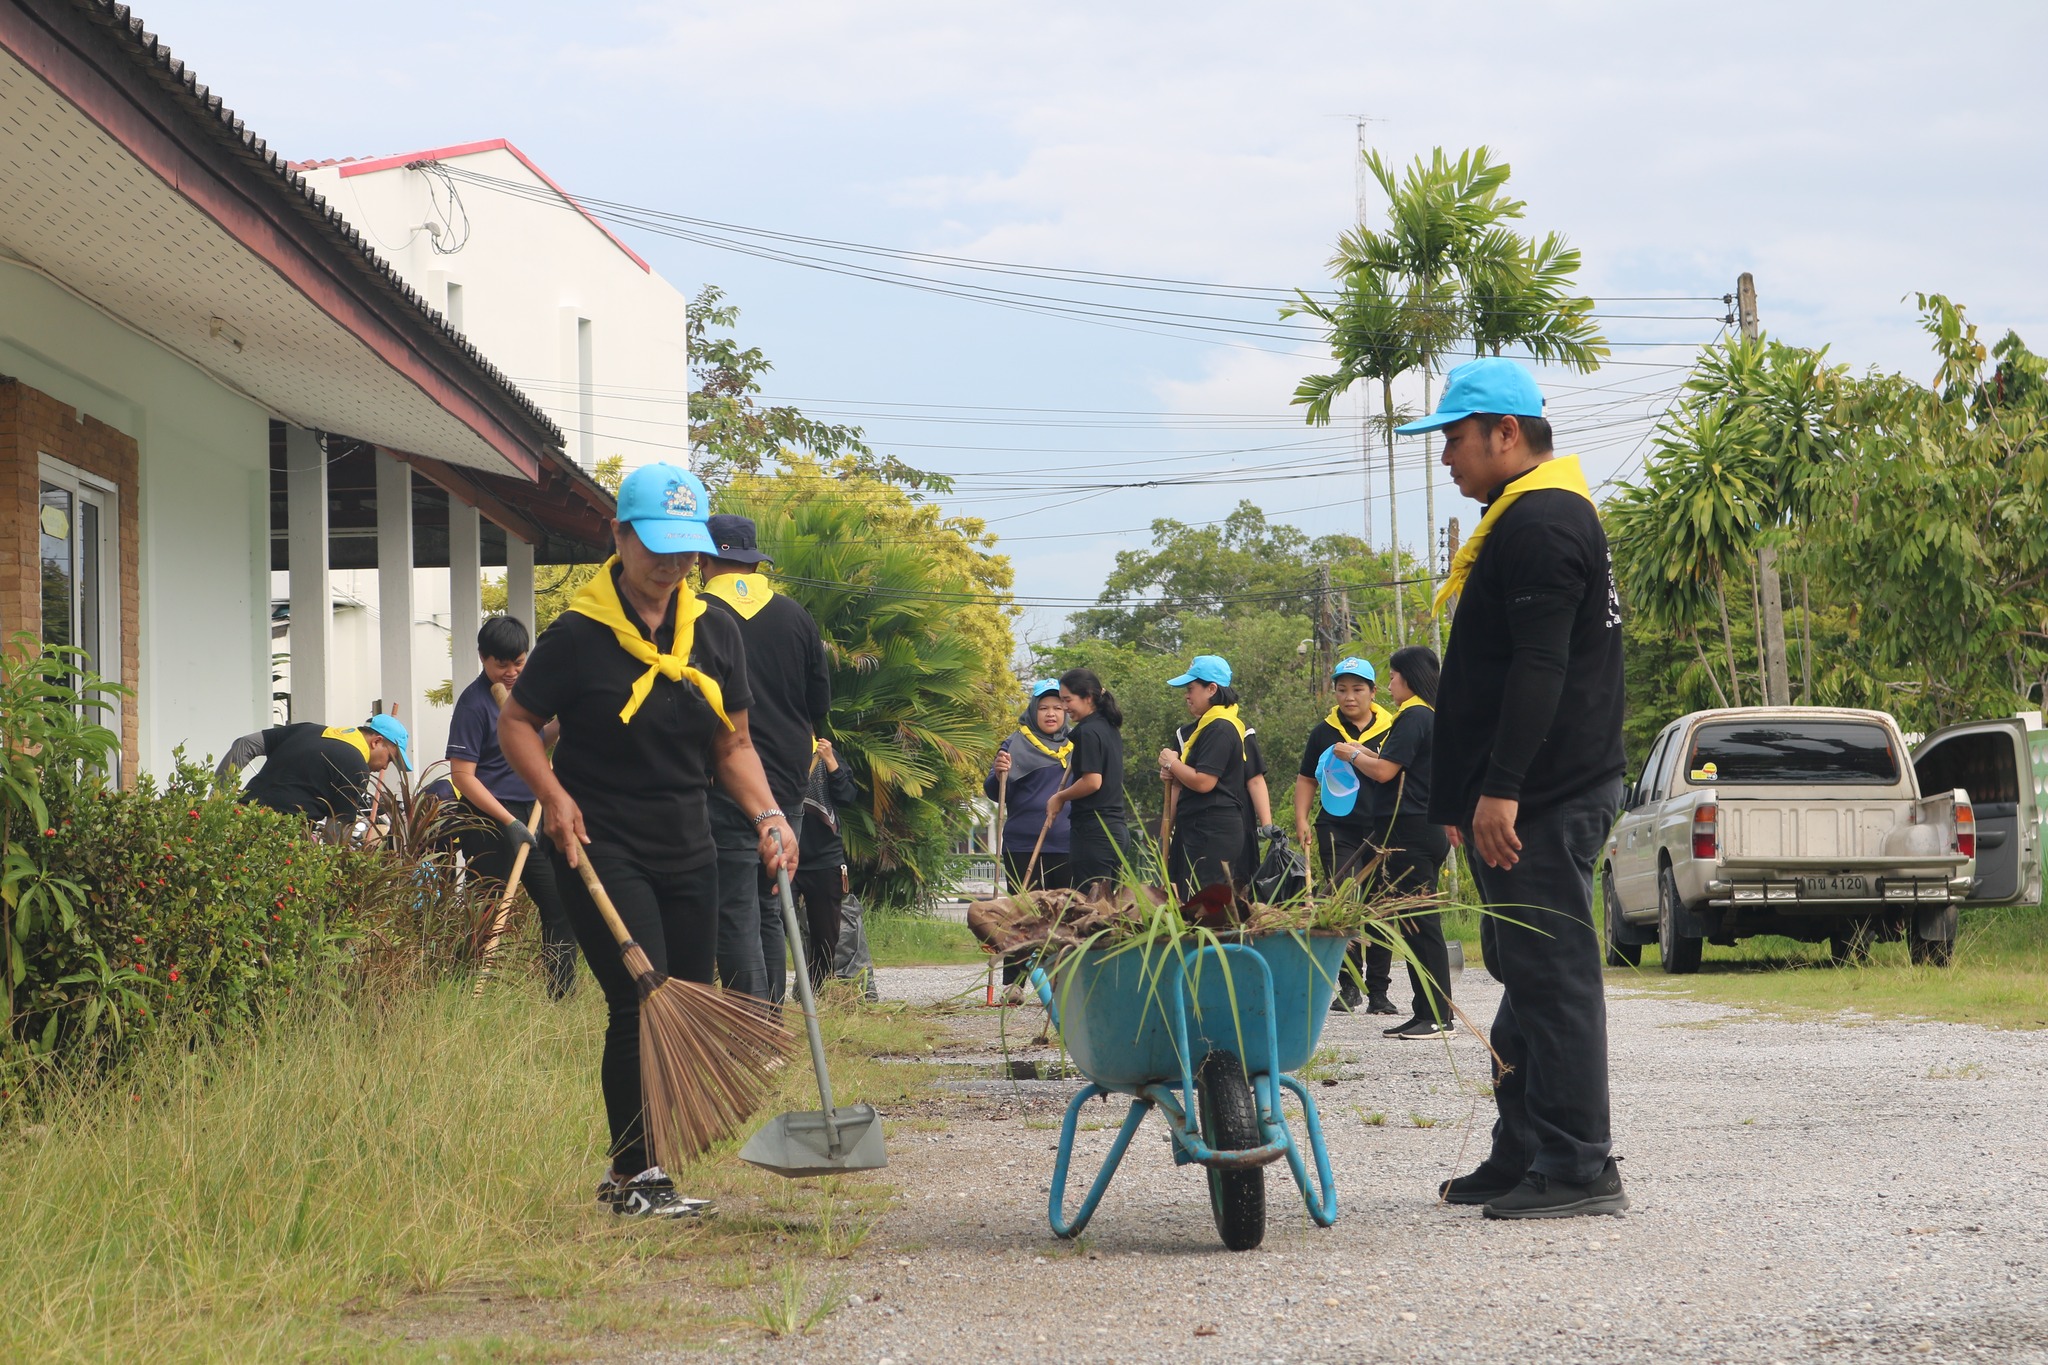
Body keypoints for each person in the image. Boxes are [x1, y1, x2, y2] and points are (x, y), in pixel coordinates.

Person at [500, 462, 798, 1220]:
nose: (672, 562)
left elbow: (733, 744)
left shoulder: (716, 631)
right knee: (641, 1000)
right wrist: (554, 796)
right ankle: (631, 1173)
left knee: (685, 999)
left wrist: (768, 815)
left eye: (685, 547)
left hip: (689, 843)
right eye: (657, 543)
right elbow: (518, 724)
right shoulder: (578, 635)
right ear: (620, 535)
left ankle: (655, 1166)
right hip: (599, 843)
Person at [1399, 357, 1628, 1219]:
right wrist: (1468, 799)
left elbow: (1541, 666)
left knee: (1555, 974)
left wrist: (1500, 790)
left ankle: (1579, 1165)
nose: (1446, 458)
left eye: (1454, 439)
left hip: (1543, 793)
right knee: (1526, 972)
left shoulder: (1539, 522)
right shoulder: (1529, 515)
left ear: (1505, 432)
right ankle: (1526, 1147)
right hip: (1527, 793)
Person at [700, 512, 832, 1005]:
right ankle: (770, 1024)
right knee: (771, 901)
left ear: (704, 559)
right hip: (786, 778)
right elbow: (820, 704)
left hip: (724, 777)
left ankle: (749, 1029)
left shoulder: (692, 612)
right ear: (754, 562)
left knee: (734, 906)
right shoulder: (796, 616)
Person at [443, 614, 576, 999]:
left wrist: (563, 722)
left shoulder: (526, 696)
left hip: (529, 810)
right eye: (503, 664)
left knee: (559, 903)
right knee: (485, 909)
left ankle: (561, 996)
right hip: (488, 818)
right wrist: (507, 822)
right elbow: (462, 776)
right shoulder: (473, 705)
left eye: (519, 662)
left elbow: (534, 744)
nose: (512, 672)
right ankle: (464, 989)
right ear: (484, 658)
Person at [1353, 646, 1451, 1040]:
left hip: (1411, 829)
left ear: (1408, 678)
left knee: (1420, 923)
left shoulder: (1414, 715)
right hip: (1418, 828)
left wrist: (1352, 755)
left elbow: (1383, 770)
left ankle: (1437, 1015)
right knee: (1411, 925)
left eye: (1392, 676)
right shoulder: (1428, 716)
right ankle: (1424, 1010)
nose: (1389, 683)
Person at [1293, 656, 1395, 1012]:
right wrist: (1302, 818)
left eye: (1357, 689)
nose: (1349, 697)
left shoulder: (1391, 727)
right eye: (1342, 689)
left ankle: (1379, 992)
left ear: (1372, 691)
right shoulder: (1323, 732)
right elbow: (1307, 778)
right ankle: (1349, 985)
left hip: (1383, 827)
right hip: (1337, 828)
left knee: (1382, 906)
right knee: (1344, 904)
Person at [1158, 655, 1250, 896]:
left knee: (1206, 903)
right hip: (1199, 827)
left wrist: (1172, 763)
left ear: (1211, 689)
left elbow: (1204, 781)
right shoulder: (1206, 726)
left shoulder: (1220, 727)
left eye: (1191, 689)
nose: (1187, 696)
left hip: (1212, 829)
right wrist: (1175, 773)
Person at [216, 712, 409, 823]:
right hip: (282, 838)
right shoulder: (357, 766)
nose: (384, 765)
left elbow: (245, 744)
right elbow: (337, 831)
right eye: (390, 759)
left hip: (239, 817)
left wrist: (218, 799)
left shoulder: (308, 729)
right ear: (376, 741)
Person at [1047, 668, 1131, 895]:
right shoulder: (1108, 728)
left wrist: (1060, 796)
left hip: (1095, 832)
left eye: (1067, 700)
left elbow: (1093, 781)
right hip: (1116, 830)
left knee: (1092, 905)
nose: (1064, 707)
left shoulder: (1088, 732)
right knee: (1111, 906)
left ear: (1088, 697)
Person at [987, 681, 1072, 892]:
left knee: (1065, 912)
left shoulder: (1077, 743)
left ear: (1066, 711)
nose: (1050, 714)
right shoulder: (1014, 743)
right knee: (1024, 913)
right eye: (1043, 708)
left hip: (1066, 841)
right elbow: (995, 793)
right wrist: (999, 774)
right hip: (1022, 843)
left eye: (1057, 708)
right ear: (1033, 710)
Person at [792, 737, 858, 992]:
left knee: (825, 935)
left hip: (823, 858)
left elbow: (847, 797)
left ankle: (817, 992)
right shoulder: (772, 750)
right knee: (772, 922)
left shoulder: (825, 753)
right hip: (783, 856)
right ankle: (768, 992)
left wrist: (830, 760)